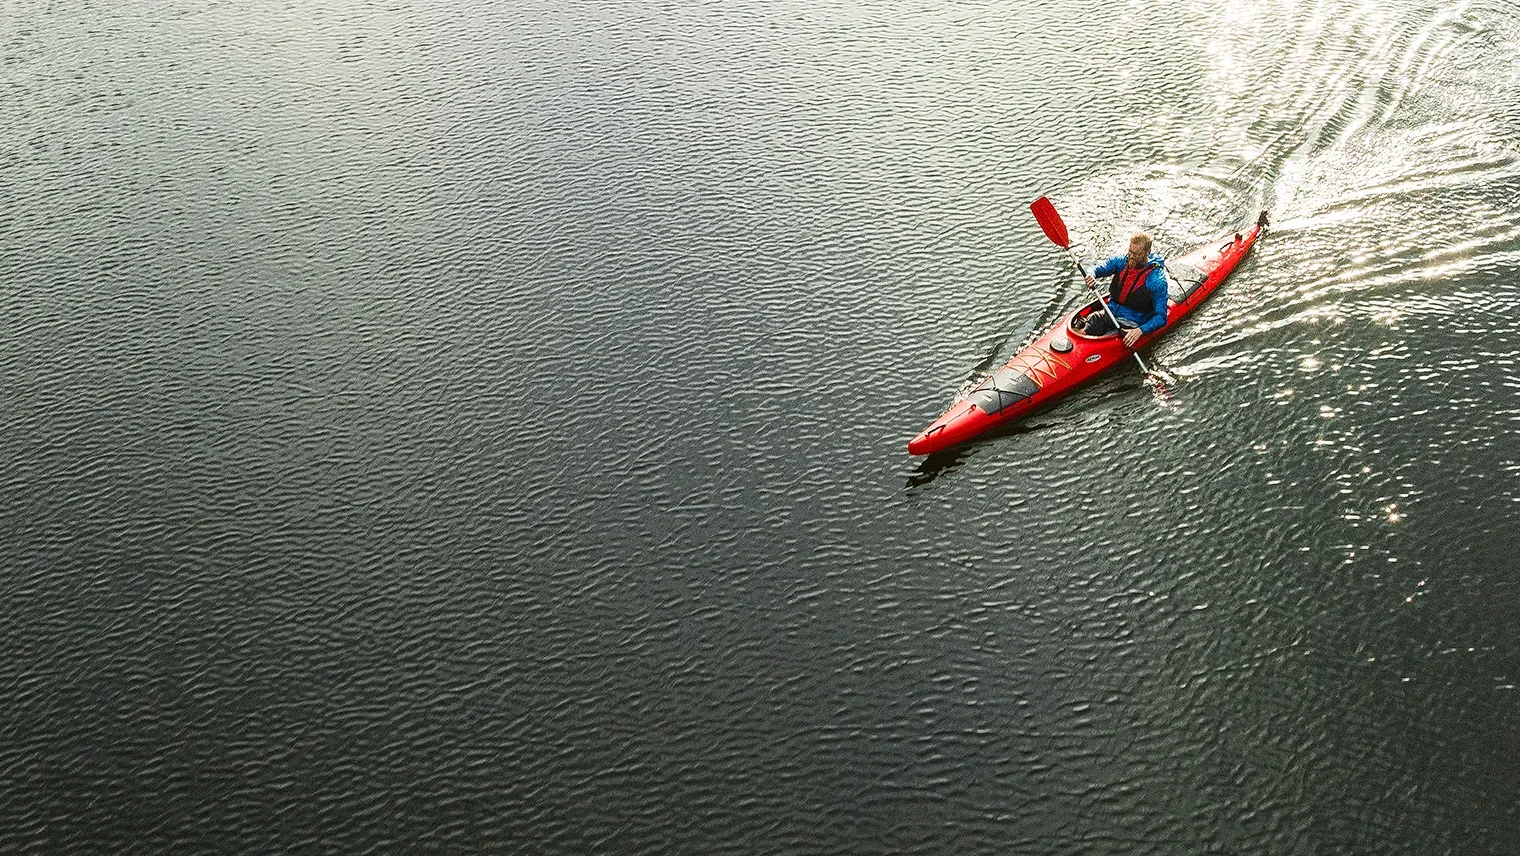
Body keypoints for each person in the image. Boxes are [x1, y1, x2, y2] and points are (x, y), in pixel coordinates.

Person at [1078, 233, 1168, 347]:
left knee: (1100, 337)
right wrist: (1091, 274)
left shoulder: (1156, 280)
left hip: (1132, 323)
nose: (1131, 256)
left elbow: (1162, 317)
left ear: (1147, 253)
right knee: (1092, 322)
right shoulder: (1121, 261)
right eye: (1130, 251)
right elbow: (1100, 267)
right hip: (1110, 313)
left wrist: (1140, 330)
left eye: (1136, 254)